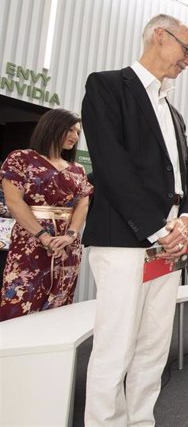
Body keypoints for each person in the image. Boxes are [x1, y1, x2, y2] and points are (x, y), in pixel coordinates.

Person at [80, 14, 188, 425]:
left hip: (168, 243)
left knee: (153, 345)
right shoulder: (107, 86)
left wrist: (187, 219)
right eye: (187, 49)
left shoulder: (175, 113)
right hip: (124, 240)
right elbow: (112, 169)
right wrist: (158, 227)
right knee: (116, 346)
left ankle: (140, 420)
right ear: (160, 37)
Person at [0, 109, 92, 321]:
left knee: (60, 301)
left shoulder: (77, 169)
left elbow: (83, 204)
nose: (75, 136)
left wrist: (70, 235)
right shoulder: (21, 159)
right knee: (22, 298)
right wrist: (43, 236)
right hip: (31, 241)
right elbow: (14, 202)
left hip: (67, 245)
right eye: (70, 130)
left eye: (78, 132)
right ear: (52, 126)